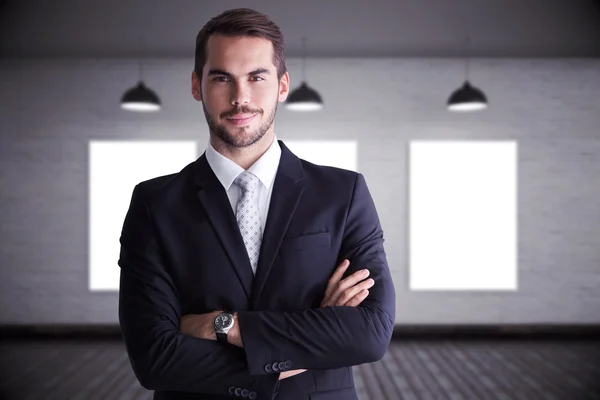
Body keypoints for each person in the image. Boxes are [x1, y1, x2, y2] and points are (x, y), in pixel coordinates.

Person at [118, 8, 396, 400]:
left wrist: (221, 324)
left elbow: (369, 334)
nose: (240, 98)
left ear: (282, 86)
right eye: (221, 78)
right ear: (197, 85)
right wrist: (314, 337)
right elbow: (154, 357)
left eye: (256, 77)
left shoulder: (343, 193)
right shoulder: (155, 204)